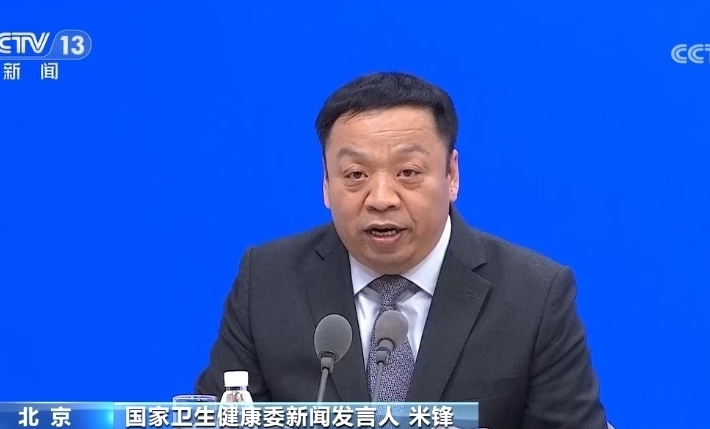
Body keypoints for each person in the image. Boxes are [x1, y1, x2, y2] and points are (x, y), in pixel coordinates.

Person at [195, 71, 608, 429]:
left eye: (408, 172)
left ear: (451, 175)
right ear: (326, 183)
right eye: (355, 174)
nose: (381, 198)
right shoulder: (268, 283)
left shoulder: (534, 296)